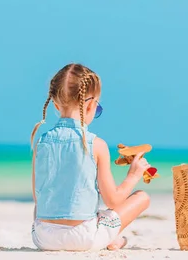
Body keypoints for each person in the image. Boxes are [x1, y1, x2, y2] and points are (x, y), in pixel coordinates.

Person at [30, 63, 151, 251]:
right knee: (142, 197)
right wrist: (133, 175)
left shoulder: (41, 142)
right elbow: (114, 200)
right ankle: (112, 239)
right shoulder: (97, 144)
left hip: (43, 237)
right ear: (91, 106)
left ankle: (110, 239)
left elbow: (38, 198)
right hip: (83, 238)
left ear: (55, 104)